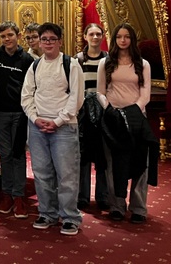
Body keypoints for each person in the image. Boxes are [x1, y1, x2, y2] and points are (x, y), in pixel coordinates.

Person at [20, 22, 84, 236]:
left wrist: (57, 121)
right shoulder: (35, 65)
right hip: (38, 126)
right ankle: (47, 213)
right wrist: (35, 118)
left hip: (64, 128)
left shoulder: (71, 64)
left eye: (52, 39)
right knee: (41, 173)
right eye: (44, 39)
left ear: (60, 41)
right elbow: (26, 95)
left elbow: (76, 98)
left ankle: (69, 217)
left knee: (66, 174)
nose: (47, 43)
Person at [97, 22, 155, 224]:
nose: (123, 40)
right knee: (113, 164)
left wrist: (132, 111)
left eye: (127, 37)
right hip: (112, 120)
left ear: (132, 39)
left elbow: (145, 93)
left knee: (140, 164)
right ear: (114, 40)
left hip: (137, 118)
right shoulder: (106, 63)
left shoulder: (143, 64)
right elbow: (100, 92)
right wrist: (110, 110)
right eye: (119, 37)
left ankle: (138, 207)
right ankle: (117, 205)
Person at [0, 21, 35, 219]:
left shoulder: (27, 60)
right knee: (5, 155)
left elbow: (31, 88)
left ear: (18, 36)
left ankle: (19, 197)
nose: (7, 39)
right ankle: (7, 194)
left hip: (20, 113)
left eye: (10, 35)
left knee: (18, 155)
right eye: (3, 36)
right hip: (0, 113)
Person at [76, 23, 109, 211]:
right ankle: (83, 196)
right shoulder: (78, 60)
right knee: (84, 155)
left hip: (104, 111)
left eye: (98, 34)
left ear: (103, 36)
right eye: (92, 34)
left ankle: (103, 196)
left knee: (103, 155)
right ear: (85, 36)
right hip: (84, 113)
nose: (95, 37)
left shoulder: (108, 59)